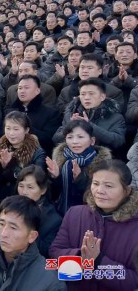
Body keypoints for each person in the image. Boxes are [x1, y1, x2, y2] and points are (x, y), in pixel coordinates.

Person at [50, 160, 138, 291]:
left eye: (109, 186)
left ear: (126, 190)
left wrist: (98, 261)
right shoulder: (74, 214)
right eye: (95, 183)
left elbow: (134, 281)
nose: (99, 191)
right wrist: (81, 257)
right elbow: (54, 255)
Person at [46, 120, 113, 215]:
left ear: (92, 141)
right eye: (70, 137)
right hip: (60, 211)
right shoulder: (60, 158)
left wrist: (79, 179)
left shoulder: (101, 163)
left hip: (88, 214)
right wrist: (56, 177)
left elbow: (96, 195)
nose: (75, 142)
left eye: (80, 137)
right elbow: (53, 194)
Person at [53, 78, 126, 151]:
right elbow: (56, 139)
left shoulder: (115, 117)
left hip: (101, 158)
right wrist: (70, 126)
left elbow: (118, 141)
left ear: (102, 97)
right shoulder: (71, 114)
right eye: (83, 94)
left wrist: (90, 125)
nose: (86, 98)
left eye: (91, 94)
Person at [0, 112, 47, 203]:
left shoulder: (37, 152)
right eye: (8, 128)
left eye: (16, 129)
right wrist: (1, 166)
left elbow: (37, 178)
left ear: (26, 130)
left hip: (21, 200)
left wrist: (9, 166)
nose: (11, 133)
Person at [16, 166, 62, 258]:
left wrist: (27, 224)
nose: (24, 192)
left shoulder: (54, 220)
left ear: (43, 190)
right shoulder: (10, 207)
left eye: (30, 187)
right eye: (21, 186)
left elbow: (46, 250)